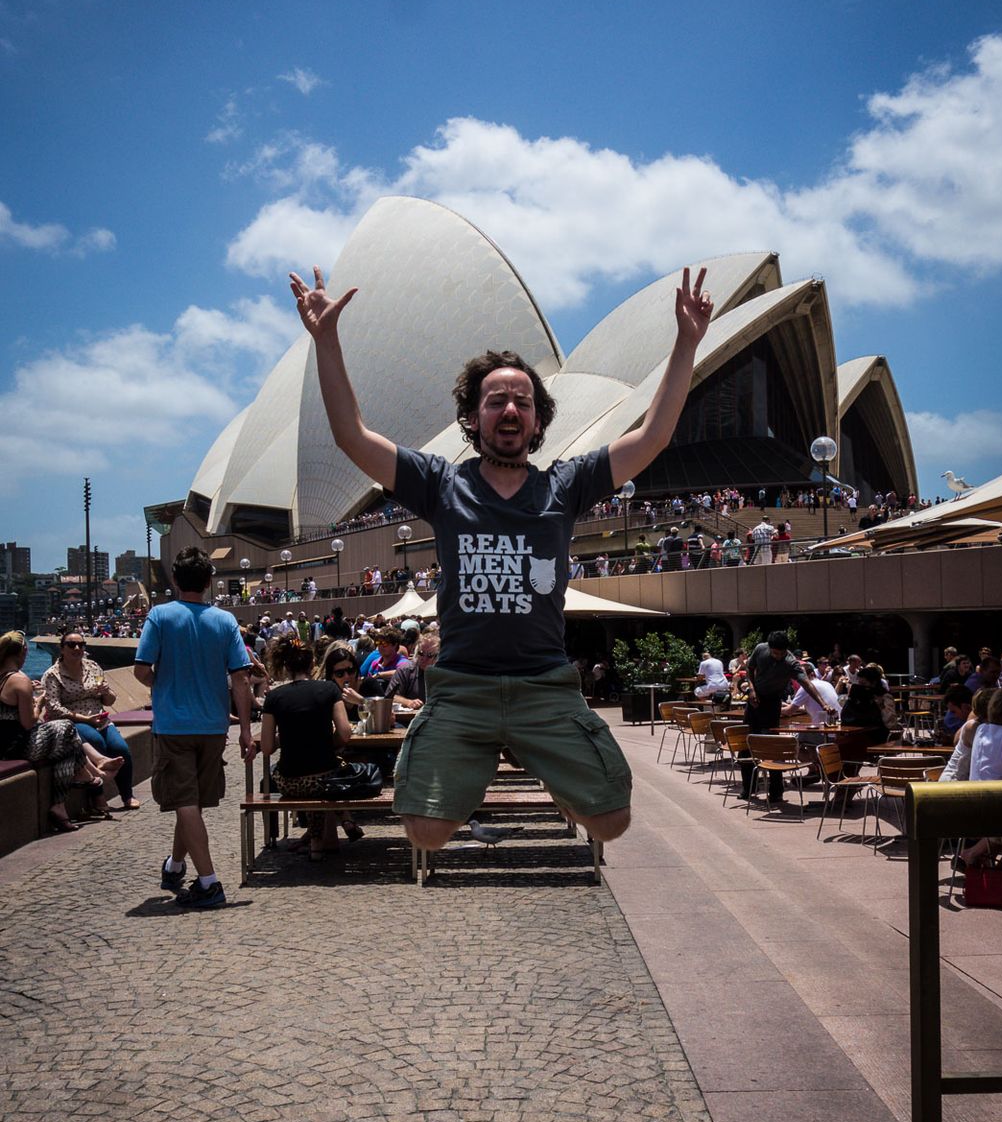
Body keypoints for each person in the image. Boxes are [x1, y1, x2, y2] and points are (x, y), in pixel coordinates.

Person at [290, 260, 714, 851]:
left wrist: (686, 342)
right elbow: (351, 437)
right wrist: (326, 340)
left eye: (522, 401)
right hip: (463, 686)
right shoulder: (441, 484)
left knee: (612, 821)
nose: (510, 410)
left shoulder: (564, 486)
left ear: (538, 420)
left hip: (544, 685)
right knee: (427, 831)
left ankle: (543, 759)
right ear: (472, 418)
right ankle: (482, 761)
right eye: (495, 401)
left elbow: (652, 436)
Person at [134, 546, 257, 910]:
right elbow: (241, 679)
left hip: (173, 725)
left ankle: (209, 884)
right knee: (191, 804)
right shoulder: (225, 621)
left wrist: (164, 682)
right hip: (213, 727)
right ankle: (174, 867)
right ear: (208, 582)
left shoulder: (160, 616)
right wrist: (246, 732)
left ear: (175, 580)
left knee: (185, 802)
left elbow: (141, 670)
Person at [0, 630, 121, 832]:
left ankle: (62, 805)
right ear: (23, 651)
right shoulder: (19, 680)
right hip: (17, 746)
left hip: (3, 744)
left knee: (65, 745)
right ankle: (90, 775)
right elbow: (29, 722)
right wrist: (39, 703)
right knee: (66, 728)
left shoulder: (5, 677)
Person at [261, 635, 360, 858]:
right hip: (324, 777)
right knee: (323, 774)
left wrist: (287, 737)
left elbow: (266, 748)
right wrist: (324, 741)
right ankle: (318, 841)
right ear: (312, 663)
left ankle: (315, 842)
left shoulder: (274, 697)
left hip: (290, 781)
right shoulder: (328, 690)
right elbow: (345, 734)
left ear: (285, 666)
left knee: (302, 775)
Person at [41, 631, 140, 811]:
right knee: (96, 742)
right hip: (74, 721)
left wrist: (105, 692)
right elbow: (53, 707)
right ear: (62, 649)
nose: (77, 648)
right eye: (71, 645)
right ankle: (98, 798)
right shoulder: (52, 675)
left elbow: (110, 701)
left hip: (100, 718)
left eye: (81, 644)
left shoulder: (92, 667)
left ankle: (128, 795)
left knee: (121, 749)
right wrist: (85, 719)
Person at [738, 632, 828, 802]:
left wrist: (823, 704)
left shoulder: (791, 663)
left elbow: (806, 683)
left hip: (772, 703)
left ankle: (776, 791)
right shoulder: (760, 649)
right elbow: (749, 669)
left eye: (781, 653)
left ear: (787, 651)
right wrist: (751, 689)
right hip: (754, 702)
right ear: (769, 648)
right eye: (775, 653)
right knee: (746, 744)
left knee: (774, 747)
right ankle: (747, 788)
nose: (778, 656)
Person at [963, 686, 1002, 869]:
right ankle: (973, 854)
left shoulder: (981, 729)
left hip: (973, 806)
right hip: (999, 811)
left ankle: (998, 872)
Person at [386, 633, 441, 709]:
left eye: (429, 655)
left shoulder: (444, 674)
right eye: (421, 653)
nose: (423, 659)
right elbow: (391, 697)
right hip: (408, 719)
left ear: (438, 656)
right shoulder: (405, 670)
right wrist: (408, 702)